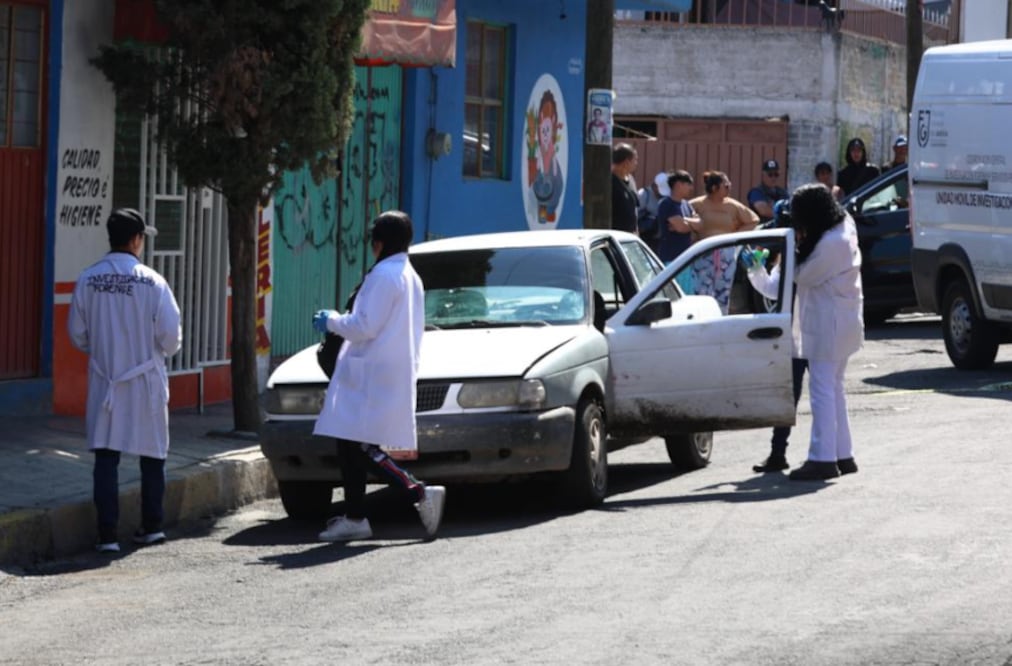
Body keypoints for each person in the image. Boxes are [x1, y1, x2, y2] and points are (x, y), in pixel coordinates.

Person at [312, 210, 446, 541]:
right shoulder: (406, 274)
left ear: (379, 243)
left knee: (359, 446)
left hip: (370, 375)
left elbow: (364, 326)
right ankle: (356, 516)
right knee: (350, 443)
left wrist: (332, 320)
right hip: (380, 372)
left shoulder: (384, 275)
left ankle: (418, 492)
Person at [68, 208, 182, 553]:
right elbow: (171, 339)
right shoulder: (153, 281)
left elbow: (77, 334)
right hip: (144, 379)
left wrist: (105, 350)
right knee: (152, 455)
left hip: (107, 380)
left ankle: (107, 535)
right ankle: (152, 526)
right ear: (135, 240)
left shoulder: (88, 279)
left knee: (106, 455)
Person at [744, 184, 864, 481]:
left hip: (829, 326)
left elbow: (800, 276)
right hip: (840, 323)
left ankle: (822, 459)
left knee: (823, 390)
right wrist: (760, 269)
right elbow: (780, 285)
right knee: (834, 389)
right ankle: (842, 454)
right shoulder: (841, 225)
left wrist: (784, 251)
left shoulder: (830, 244)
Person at [688, 170, 759, 313]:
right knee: (701, 291)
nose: (729, 188)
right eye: (726, 186)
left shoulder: (733, 206)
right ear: (714, 188)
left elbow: (753, 220)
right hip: (702, 253)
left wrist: (734, 238)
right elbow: (686, 221)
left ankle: (720, 321)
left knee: (723, 292)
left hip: (725, 255)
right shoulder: (696, 204)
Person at [530, 90, 564, 224]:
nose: (545, 134)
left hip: (551, 180)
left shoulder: (550, 149)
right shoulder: (540, 149)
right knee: (543, 196)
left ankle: (548, 213)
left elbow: (552, 162)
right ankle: (543, 214)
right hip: (542, 182)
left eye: (547, 131)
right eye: (542, 130)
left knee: (551, 192)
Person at [655, 170, 698, 265]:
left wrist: (685, 220)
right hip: (670, 260)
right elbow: (681, 228)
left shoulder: (687, 204)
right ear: (679, 184)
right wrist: (691, 226)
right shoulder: (666, 204)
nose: (691, 188)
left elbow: (700, 224)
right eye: (689, 184)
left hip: (685, 259)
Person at [746, 159, 789, 224]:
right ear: (763, 175)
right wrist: (783, 214)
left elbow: (790, 208)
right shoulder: (756, 192)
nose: (773, 178)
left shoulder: (782, 192)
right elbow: (764, 211)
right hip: (762, 230)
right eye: (770, 174)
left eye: (776, 174)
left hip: (779, 229)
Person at [637, 171, 669, 251]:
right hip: (644, 237)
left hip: (659, 240)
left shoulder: (665, 197)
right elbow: (633, 215)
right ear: (655, 186)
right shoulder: (643, 194)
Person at [611, 143, 639, 234]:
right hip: (614, 235)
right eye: (635, 160)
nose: (636, 163)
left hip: (630, 235)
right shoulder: (608, 182)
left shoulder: (631, 180)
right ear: (626, 162)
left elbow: (634, 210)